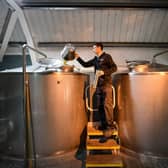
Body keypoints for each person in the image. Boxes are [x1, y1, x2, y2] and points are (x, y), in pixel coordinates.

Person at [75, 43, 117, 143]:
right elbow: (85, 64)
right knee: (100, 107)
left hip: (106, 85)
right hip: (98, 86)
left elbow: (114, 68)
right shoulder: (95, 59)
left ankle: (109, 130)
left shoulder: (107, 57)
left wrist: (104, 72)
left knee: (107, 107)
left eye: (94, 47)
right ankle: (103, 125)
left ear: (99, 47)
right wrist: (77, 58)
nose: (92, 49)